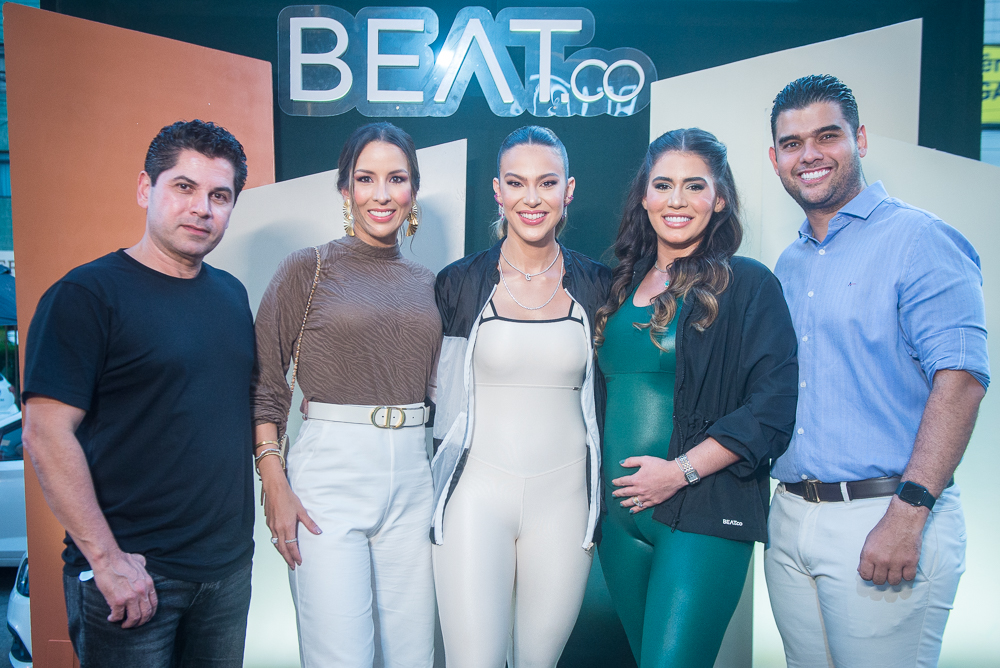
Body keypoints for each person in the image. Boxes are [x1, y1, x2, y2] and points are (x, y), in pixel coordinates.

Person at [765, 74, 989, 667]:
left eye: (827, 136)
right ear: (775, 158)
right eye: (792, 144)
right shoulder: (789, 263)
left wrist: (908, 513)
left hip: (886, 513)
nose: (809, 155)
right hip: (791, 517)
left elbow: (962, 381)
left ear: (859, 139)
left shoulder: (921, 239)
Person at [21, 120, 254, 667]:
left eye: (219, 196)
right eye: (184, 187)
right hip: (134, 574)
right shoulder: (86, 294)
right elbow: (45, 434)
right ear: (146, 189)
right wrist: (106, 561)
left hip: (226, 573)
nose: (201, 208)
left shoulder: (231, 294)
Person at [595, 128, 798, 668]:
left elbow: (772, 410)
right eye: (663, 185)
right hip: (618, 521)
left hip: (700, 509)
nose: (677, 201)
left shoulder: (748, 285)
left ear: (720, 198)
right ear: (644, 196)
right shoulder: (616, 286)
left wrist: (678, 472)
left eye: (695, 186)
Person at [252, 122, 440, 668]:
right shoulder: (308, 268)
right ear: (345, 189)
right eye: (366, 178)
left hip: (415, 476)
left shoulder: (431, 283)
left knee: (414, 657)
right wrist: (273, 481)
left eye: (396, 178)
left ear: (414, 190)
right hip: (330, 477)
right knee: (340, 657)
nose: (382, 194)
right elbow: (265, 381)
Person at [431, 125, 610, 668]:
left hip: (565, 503)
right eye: (517, 183)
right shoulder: (458, 283)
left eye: (547, 182)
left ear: (568, 190)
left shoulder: (602, 287)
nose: (532, 198)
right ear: (498, 191)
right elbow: (430, 392)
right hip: (473, 498)